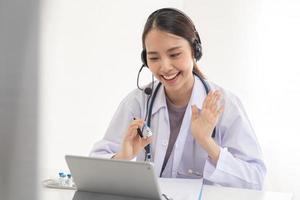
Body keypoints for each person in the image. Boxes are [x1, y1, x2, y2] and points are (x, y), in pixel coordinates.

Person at [90, 8, 266, 190]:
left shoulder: (223, 103)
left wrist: (206, 142)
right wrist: (122, 158)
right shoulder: (138, 102)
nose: (165, 67)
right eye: (154, 57)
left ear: (194, 51)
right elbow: (95, 165)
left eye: (174, 54)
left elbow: (255, 178)